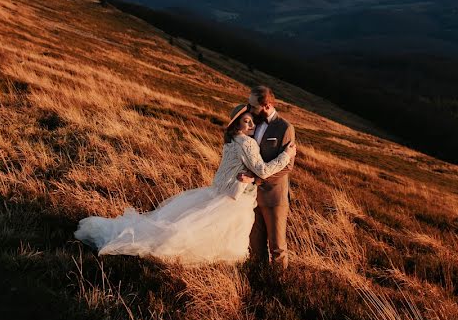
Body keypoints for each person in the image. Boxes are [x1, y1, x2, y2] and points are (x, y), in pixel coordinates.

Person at [73, 104, 295, 264]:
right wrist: (286, 155)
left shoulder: (231, 142)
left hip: (219, 191)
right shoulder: (246, 143)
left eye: (252, 121)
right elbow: (264, 170)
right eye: (247, 121)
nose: (251, 124)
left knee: (194, 225)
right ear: (236, 125)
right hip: (232, 198)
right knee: (209, 233)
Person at [246, 85, 296, 270]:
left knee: (277, 248)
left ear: (266, 105)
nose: (249, 109)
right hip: (251, 197)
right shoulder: (252, 124)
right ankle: (258, 281)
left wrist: (257, 180)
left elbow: (287, 166)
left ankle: (278, 285)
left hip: (274, 197)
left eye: (253, 106)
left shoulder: (285, 128)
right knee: (255, 247)